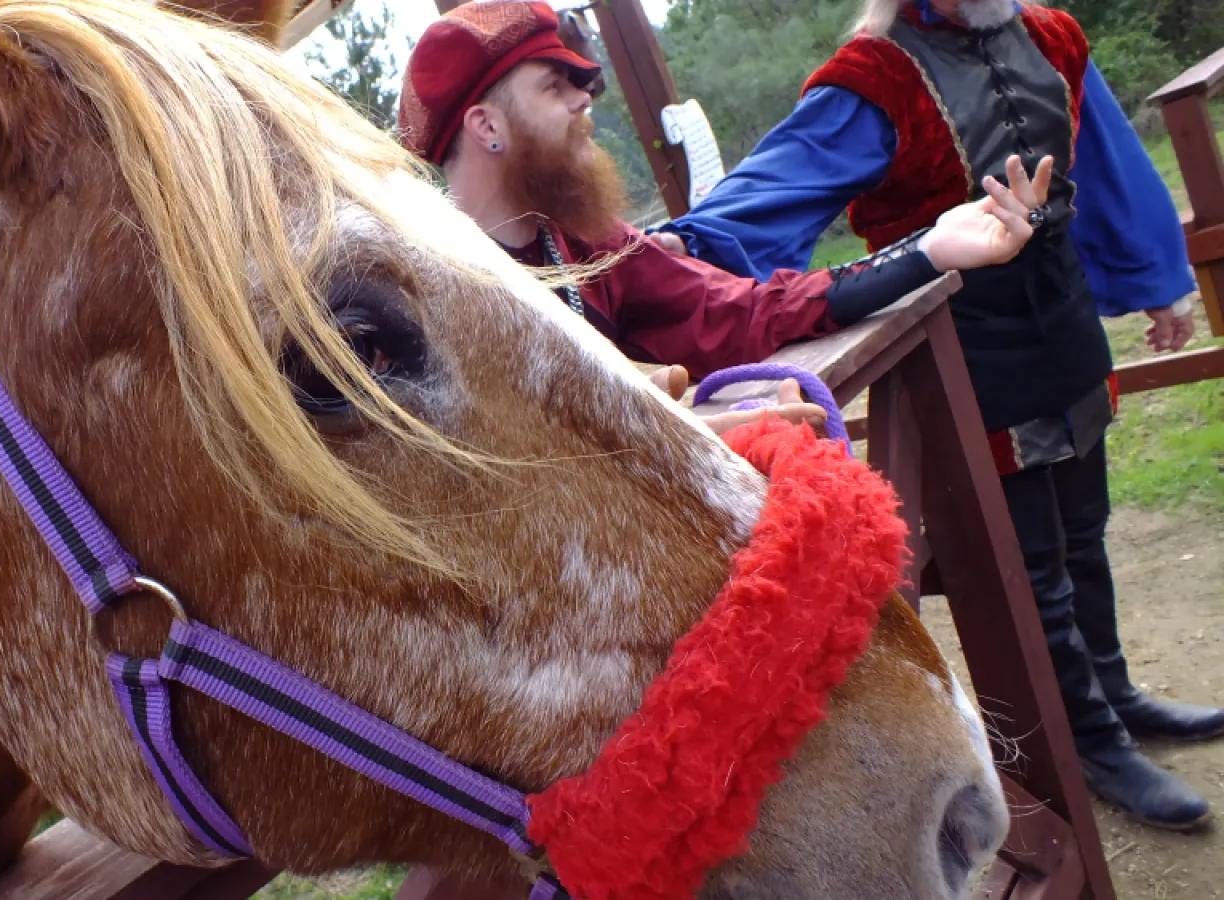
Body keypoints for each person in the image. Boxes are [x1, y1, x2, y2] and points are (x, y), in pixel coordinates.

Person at [652, 0, 1222, 831]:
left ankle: (1119, 694)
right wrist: (674, 257)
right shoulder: (876, 76)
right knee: (1034, 569)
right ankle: (1091, 737)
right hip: (969, 355)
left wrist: (1151, 278)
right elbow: (775, 188)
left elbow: (1105, 158)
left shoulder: (1052, 34)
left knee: (1086, 532)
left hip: (1064, 324)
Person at [395, 0, 1050, 433]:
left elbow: (740, 311)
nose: (582, 100)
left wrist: (929, 252)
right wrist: (711, 430)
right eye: (553, 85)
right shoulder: (413, 288)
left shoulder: (583, 244)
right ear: (487, 126)